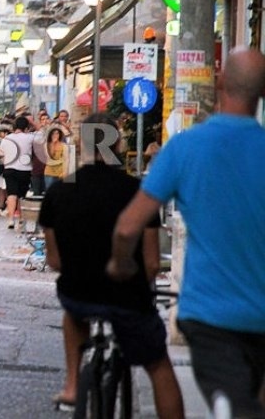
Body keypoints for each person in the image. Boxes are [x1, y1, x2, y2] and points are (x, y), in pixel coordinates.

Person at [109, 46, 265, 417]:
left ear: (220, 81)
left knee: (232, 401)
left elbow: (128, 227)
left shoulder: (186, 148)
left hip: (209, 313)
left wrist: (120, 266)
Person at [40, 113, 184, 417]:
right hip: (128, 298)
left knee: (73, 314)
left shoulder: (58, 192)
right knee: (158, 364)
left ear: (80, 143)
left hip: (77, 293)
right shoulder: (137, 192)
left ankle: (71, 385)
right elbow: (152, 262)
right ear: (117, 143)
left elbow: (54, 261)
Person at [0, 116, 35, 229]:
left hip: (9, 169)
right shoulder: (30, 137)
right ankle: (21, 218)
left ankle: (10, 219)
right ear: (26, 127)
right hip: (25, 170)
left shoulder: (7, 138)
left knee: (11, 194)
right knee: (21, 195)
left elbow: (1, 154)